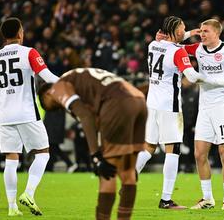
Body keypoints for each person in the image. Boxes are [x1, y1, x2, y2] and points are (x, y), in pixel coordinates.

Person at [135, 16, 224, 210]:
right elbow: (193, 77)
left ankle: (130, 177)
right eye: (184, 28)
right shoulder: (178, 52)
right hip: (169, 106)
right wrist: (223, 81)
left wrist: (188, 34)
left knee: (148, 146)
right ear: (177, 31)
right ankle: (166, 199)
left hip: (152, 104)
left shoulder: (153, 45)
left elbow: (172, 39)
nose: (186, 31)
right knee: (173, 151)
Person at [38, 67, 145, 220]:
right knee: (128, 174)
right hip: (137, 101)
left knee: (106, 173)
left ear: (47, 93)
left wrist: (95, 155)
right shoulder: (79, 79)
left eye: (46, 104)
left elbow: (85, 116)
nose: (52, 108)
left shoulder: (59, 87)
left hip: (116, 106)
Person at [0, 17, 59, 216]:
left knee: (11, 159)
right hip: (27, 112)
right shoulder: (29, 52)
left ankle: (12, 207)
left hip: (5, 116)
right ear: (20, 33)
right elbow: (48, 77)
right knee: (43, 153)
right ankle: (28, 193)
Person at [180, 19, 224, 210]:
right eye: (201, 31)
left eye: (206, 31)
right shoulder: (197, 49)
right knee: (199, 154)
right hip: (204, 107)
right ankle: (207, 199)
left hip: (223, 105)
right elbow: (176, 46)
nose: (202, 34)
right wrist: (190, 33)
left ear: (216, 33)